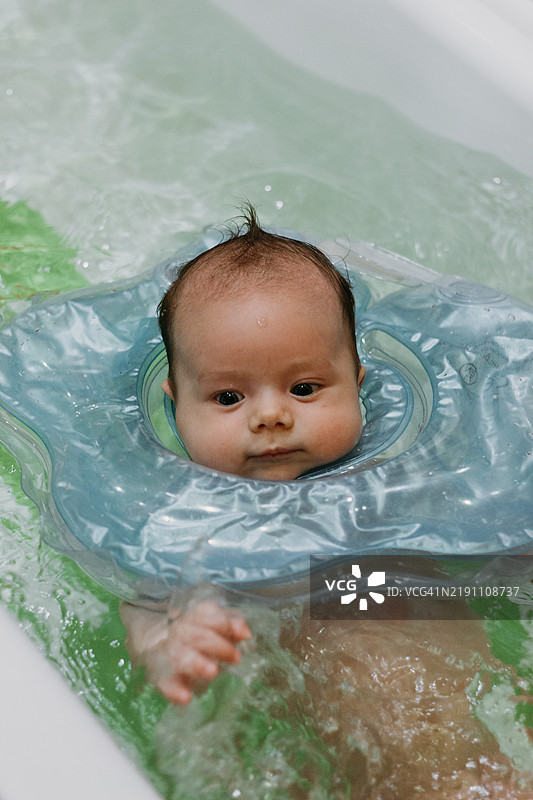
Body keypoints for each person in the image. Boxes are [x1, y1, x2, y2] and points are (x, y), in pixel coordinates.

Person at [121, 207, 531, 797]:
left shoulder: (404, 479)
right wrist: (166, 642)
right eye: (229, 396)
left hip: (449, 719)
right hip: (311, 736)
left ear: (359, 380)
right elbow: (145, 597)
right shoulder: (186, 515)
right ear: (175, 399)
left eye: (305, 388)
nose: (271, 416)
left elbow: (485, 535)